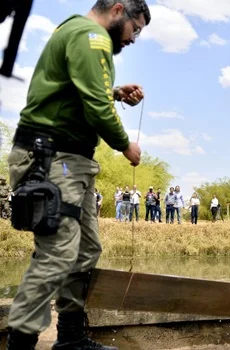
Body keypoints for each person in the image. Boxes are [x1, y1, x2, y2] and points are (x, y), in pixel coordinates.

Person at [5, 1, 150, 349]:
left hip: (72, 161)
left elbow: (78, 91)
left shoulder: (73, 31)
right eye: (137, 29)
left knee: (86, 249)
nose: (134, 38)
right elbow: (96, 108)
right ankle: (20, 345)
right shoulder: (92, 37)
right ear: (118, 9)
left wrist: (113, 93)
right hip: (54, 158)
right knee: (57, 254)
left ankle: (70, 339)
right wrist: (124, 145)